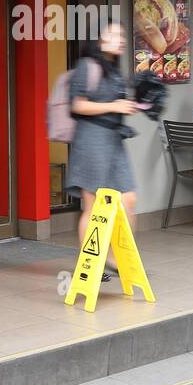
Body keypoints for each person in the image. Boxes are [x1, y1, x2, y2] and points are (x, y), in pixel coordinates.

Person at [65, 22, 137, 281]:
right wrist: (115, 106)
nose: (120, 39)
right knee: (92, 206)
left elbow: (116, 103)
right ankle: (91, 262)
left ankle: (118, 258)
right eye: (113, 34)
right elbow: (78, 105)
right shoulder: (87, 66)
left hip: (114, 140)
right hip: (92, 140)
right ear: (98, 39)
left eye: (122, 34)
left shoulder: (114, 69)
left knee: (128, 198)